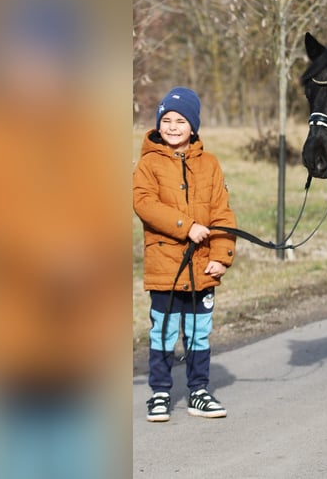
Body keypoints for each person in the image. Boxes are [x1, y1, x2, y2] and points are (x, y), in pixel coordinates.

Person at [133, 86, 237, 422]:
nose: (173, 126)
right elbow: (144, 204)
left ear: (193, 126)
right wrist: (187, 225)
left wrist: (221, 255)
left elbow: (222, 213)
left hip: (201, 269)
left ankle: (199, 391)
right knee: (162, 330)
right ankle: (160, 392)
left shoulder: (210, 164)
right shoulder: (148, 164)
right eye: (167, 120)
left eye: (181, 120)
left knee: (198, 331)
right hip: (165, 267)